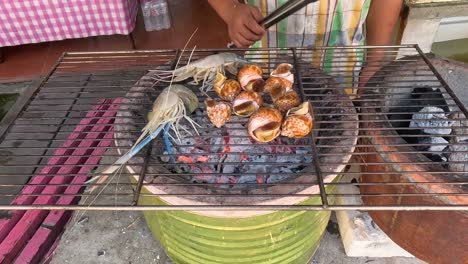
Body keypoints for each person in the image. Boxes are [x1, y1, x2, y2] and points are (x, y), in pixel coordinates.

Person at [207, 0, 403, 94]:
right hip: (264, 70)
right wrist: (230, 9)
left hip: (340, 70)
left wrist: (375, 61)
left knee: (332, 149)